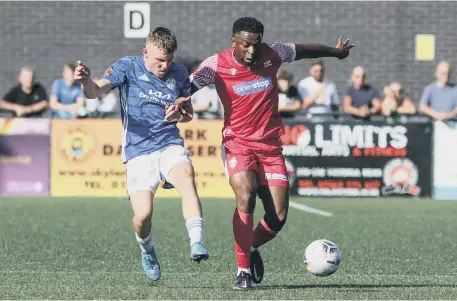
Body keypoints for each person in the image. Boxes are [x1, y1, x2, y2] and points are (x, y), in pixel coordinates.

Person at [187, 17, 353, 290]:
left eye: (256, 45)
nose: (252, 51)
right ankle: (242, 272)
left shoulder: (273, 53)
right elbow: (186, 87)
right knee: (246, 194)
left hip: (270, 147)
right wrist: (178, 101)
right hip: (237, 143)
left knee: (278, 217)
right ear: (234, 42)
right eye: (245, 45)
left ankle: (249, 246)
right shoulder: (215, 64)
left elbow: (303, 50)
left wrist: (335, 52)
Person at [73, 27, 209, 282]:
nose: (165, 66)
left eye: (169, 60)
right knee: (143, 215)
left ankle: (197, 242)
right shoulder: (128, 66)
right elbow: (96, 90)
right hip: (138, 151)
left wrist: (180, 114)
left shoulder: (179, 72)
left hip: (169, 143)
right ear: (145, 53)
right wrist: (85, 82)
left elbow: (187, 113)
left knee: (187, 178)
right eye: (159, 61)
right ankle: (147, 249)